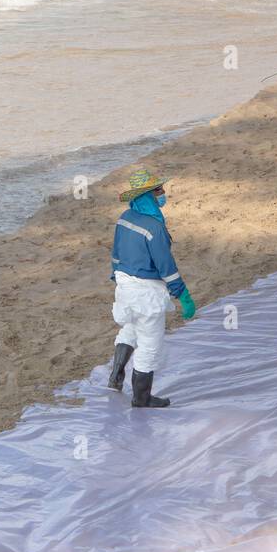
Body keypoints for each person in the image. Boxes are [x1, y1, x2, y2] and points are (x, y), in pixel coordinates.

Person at [107, 168, 195, 408]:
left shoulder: (125, 217)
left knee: (130, 329)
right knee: (150, 344)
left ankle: (115, 377)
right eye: (158, 190)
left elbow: (116, 252)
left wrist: (116, 275)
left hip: (124, 286)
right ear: (147, 195)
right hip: (146, 293)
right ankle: (141, 398)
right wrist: (183, 294)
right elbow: (166, 266)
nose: (163, 193)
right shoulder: (154, 227)